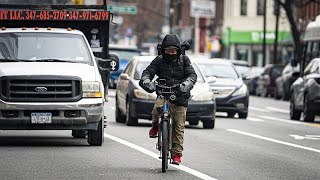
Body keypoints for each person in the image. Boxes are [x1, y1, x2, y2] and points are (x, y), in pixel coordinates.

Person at [139, 34, 197, 165]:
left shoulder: (184, 60)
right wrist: (147, 81)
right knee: (157, 108)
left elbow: (192, 75)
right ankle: (155, 126)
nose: (171, 53)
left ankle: (176, 154)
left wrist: (186, 84)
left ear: (178, 50)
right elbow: (148, 72)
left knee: (179, 126)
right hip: (163, 91)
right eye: (168, 50)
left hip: (180, 95)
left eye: (173, 50)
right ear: (163, 50)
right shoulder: (158, 60)